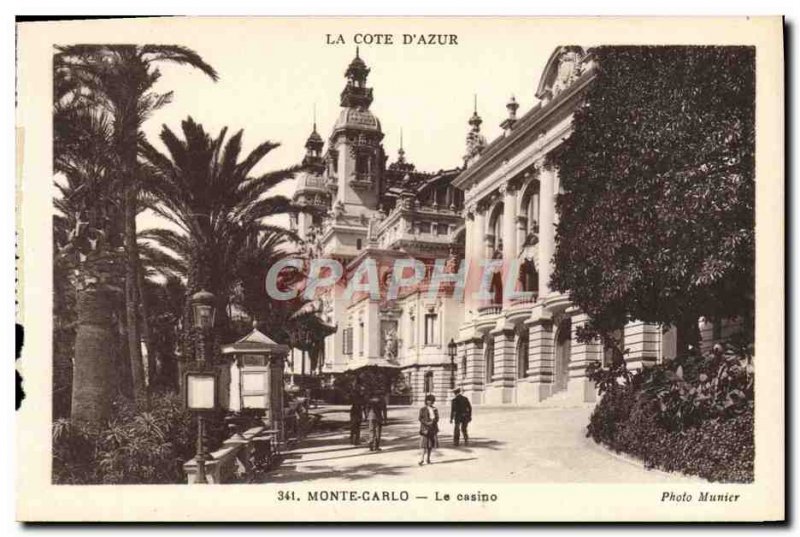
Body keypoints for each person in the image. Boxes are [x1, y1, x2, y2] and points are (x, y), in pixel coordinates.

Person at [418, 394, 439, 465]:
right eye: (428, 400)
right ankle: (421, 459)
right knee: (424, 445)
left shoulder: (435, 409)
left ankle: (428, 459)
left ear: (433, 401)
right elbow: (420, 418)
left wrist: (433, 422)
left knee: (430, 445)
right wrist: (427, 423)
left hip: (432, 428)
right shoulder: (422, 409)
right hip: (425, 429)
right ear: (426, 401)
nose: (429, 402)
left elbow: (437, 418)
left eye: (431, 400)